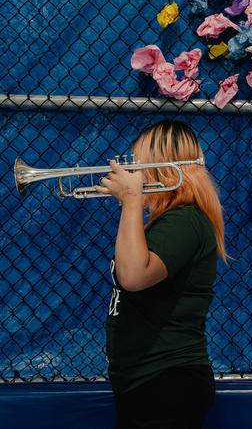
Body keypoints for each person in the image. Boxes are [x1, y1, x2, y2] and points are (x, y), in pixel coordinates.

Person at [96, 120, 226, 429]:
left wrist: (130, 201)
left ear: (160, 166)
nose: (131, 171)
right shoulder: (172, 220)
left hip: (166, 381)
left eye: (137, 162)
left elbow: (133, 276)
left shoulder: (185, 220)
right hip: (148, 382)